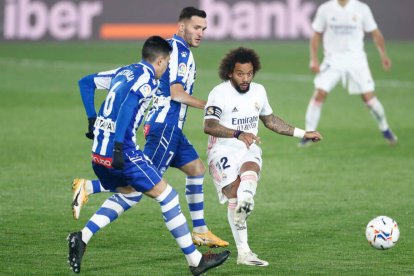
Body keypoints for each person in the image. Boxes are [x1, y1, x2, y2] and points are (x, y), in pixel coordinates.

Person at [67, 35, 230, 275]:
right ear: (162, 61)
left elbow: (85, 83)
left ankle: (82, 237)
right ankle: (196, 261)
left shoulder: (125, 71)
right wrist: (121, 147)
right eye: (167, 63)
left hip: (98, 154)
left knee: (131, 195)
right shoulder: (148, 79)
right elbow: (128, 107)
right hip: (123, 152)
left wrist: (92, 119)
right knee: (169, 198)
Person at [203, 47, 322, 266]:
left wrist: (303, 133)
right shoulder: (218, 93)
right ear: (230, 72)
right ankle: (244, 250)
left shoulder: (259, 91)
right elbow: (209, 126)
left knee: (251, 166)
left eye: (249, 73)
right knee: (233, 197)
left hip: (249, 145)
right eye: (240, 74)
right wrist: (238, 134)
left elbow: (269, 120)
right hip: (222, 149)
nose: (245, 78)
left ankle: (247, 201)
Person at [299, 0, 397, 147]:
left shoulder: (362, 9)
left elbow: (376, 34)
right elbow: (316, 35)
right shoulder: (325, 9)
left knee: (369, 99)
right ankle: (308, 134)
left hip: (356, 60)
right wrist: (313, 59)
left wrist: (383, 55)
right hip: (332, 59)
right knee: (319, 94)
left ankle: (385, 128)